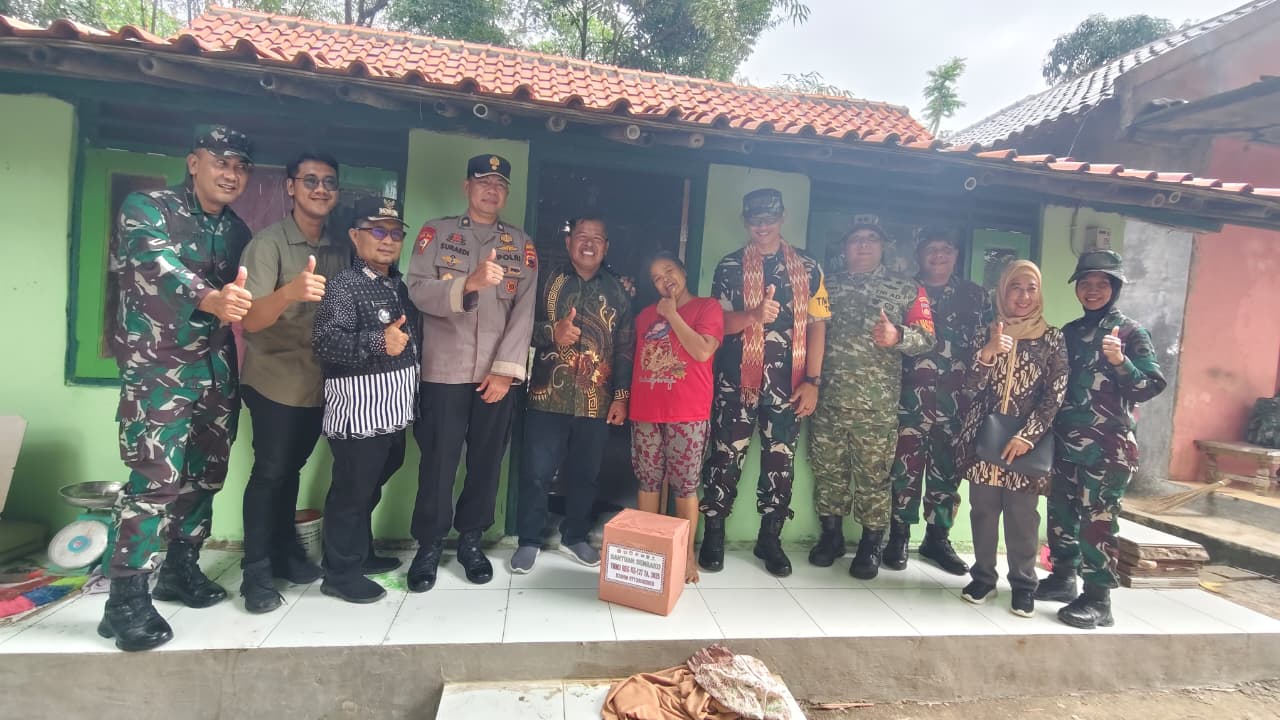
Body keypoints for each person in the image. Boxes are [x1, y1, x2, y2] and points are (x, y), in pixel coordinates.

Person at [100, 125, 255, 651]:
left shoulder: (236, 231)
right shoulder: (149, 207)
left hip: (216, 368)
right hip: (158, 368)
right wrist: (209, 297)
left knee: (204, 474)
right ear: (194, 162)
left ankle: (180, 568)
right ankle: (125, 598)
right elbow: (154, 262)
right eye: (221, 162)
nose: (231, 174)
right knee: (154, 480)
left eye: (240, 166)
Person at [237, 152, 387, 614]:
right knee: (271, 472)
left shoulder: (342, 247)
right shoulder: (269, 244)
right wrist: (289, 293)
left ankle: (285, 551)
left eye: (329, 182)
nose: (320, 189)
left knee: (292, 469)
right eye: (310, 181)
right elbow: (249, 321)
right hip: (277, 379)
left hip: (325, 382)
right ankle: (256, 571)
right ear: (291, 187)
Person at [406, 154, 537, 592]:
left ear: (506, 193)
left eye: (499, 184)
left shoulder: (521, 244)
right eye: (483, 182)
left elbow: (524, 312)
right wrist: (469, 284)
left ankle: (471, 542)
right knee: (438, 462)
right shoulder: (437, 233)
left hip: (494, 376)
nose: (491, 190)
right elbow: (417, 290)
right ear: (467, 187)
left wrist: (505, 372)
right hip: (444, 370)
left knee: (486, 462)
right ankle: (428, 545)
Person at [699, 188, 830, 578]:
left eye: (769, 218)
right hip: (736, 382)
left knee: (780, 463)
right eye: (755, 219)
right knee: (724, 458)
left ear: (782, 217)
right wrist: (753, 315)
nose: (762, 226)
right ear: (745, 221)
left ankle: (769, 539)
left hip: (789, 386)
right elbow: (718, 325)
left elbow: (818, 326)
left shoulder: (809, 268)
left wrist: (813, 381)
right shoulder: (729, 266)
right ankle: (714, 534)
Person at [1039, 250, 1167, 629]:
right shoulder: (1069, 332)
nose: (1092, 290)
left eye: (1101, 283)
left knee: (1097, 520)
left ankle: (1098, 599)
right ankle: (1063, 577)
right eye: (1086, 283)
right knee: (1061, 513)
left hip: (1108, 449)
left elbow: (1150, 386)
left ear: (1115, 288)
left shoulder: (1130, 333)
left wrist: (1120, 362)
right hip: (1065, 443)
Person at [808, 220, 935, 580]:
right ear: (844, 246)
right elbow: (809, 331)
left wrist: (898, 336)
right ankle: (831, 536)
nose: (863, 245)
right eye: (856, 240)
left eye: (871, 239)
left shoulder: (907, 288)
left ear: (883, 246)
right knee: (827, 472)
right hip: (828, 399)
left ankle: (870, 544)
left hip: (876, 405)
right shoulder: (825, 286)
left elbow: (927, 338)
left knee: (873, 476)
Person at [511, 217, 635, 573]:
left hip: (596, 400)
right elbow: (519, 328)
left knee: (586, 474)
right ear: (569, 242)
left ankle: (575, 535)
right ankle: (529, 539)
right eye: (582, 236)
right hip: (546, 395)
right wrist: (553, 331)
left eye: (597, 238)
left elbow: (625, 348)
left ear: (606, 247)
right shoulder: (544, 281)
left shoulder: (618, 291)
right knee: (537, 472)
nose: (589, 244)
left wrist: (621, 396)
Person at [312, 196, 419, 603]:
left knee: (373, 481)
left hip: (392, 409)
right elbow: (324, 341)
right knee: (351, 493)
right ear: (356, 237)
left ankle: (361, 552)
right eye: (378, 231)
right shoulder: (343, 285)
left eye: (395, 233)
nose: (388, 240)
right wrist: (378, 341)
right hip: (359, 412)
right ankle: (339, 573)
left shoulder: (397, 285)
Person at [955, 260, 1068, 619]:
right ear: (1003, 291)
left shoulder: (1052, 338)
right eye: (1015, 287)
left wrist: (1028, 436)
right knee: (983, 510)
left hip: (1025, 445)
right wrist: (988, 353)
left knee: (1022, 516)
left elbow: (1055, 394)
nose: (1023, 296)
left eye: (1031, 288)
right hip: (985, 439)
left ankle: (1023, 585)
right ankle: (983, 578)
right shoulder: (986, 332)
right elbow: (968, 388)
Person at [885, 228, 989, 575]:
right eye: (931, 249)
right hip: (908, 399)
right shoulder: (904, 291)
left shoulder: (975, 296)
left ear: (956, 254)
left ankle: (937, 538)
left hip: (956, 402)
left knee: (946, 473)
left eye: (946, 249)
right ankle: (898, 536)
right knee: (904, 469)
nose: (938, 255)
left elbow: (987, 346)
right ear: (919, 254)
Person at [629, 252, 724, 584]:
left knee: (685, 486)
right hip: (646, 411)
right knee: (648, 482)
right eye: (656, 277)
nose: (664, 279)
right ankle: (648, 551)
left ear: (683, 271)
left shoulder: (707, 308)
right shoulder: (644, 316)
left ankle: (685, 555)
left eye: (668, 270)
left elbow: (701, 351)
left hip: (687, 412)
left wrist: (672, 315)